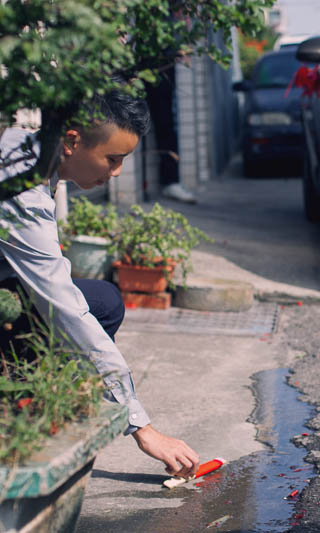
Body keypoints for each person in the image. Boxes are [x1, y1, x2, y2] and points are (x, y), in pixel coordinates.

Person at [0, 90, 200, 478]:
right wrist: (142, 426)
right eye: (112, 159)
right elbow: (63, 306)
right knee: (86, 307)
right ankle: (22, 418)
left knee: (103, 300)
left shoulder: (23, 150)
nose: (117, 172)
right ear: (72, 141)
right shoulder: (21, 187)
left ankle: (34, 401)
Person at [145, 64, 198, 204]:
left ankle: (171, 182)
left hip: (161, 62)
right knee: (162, 123)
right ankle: (167, 183)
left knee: (166, 123)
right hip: (145, 61)